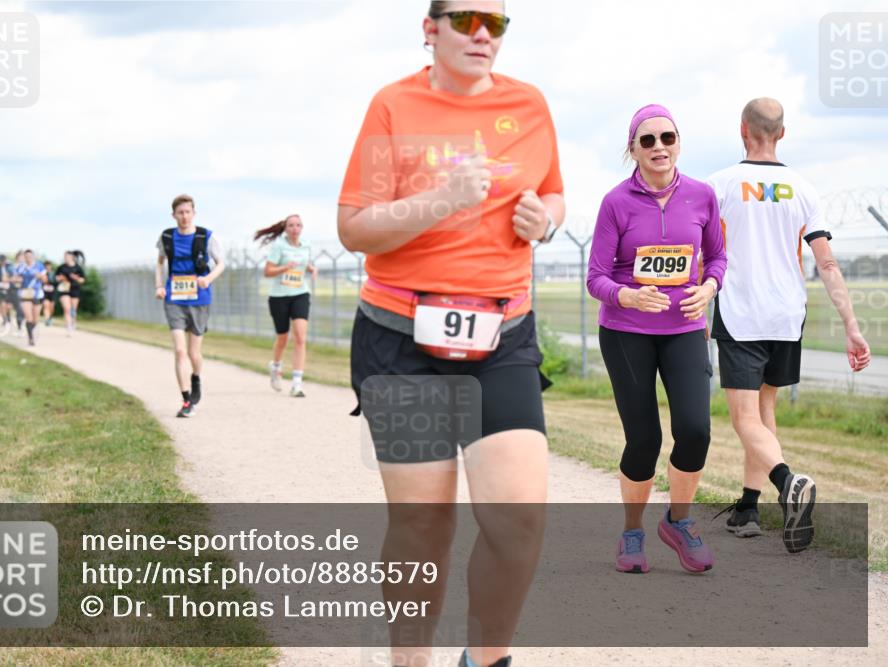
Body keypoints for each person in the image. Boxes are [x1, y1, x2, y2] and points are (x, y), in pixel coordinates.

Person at [337, 3, 564, 666]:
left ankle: (485, 659)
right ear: (430, 29)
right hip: (400, 340)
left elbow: (553, 196)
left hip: (503, 337)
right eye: (466, 20)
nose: (483, 34)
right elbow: (354, 227)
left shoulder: (529, 105)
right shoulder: (393, 106)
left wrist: (543, 219)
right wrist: (444, 199)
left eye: (497, 23)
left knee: (519, 518)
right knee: (423, 523)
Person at [707, 98, 871, 552]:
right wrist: (852, 326)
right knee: (765, 413)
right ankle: (747, 508)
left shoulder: (719, 184)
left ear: (743, 130)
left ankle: (788, 481)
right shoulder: (803, 188)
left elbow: (701, 254)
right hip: (786, 315)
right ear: (783, 133)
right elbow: (828, 263)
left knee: (743, 420)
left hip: (741, 314)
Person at [587, 104, 726, 575]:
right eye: (647, 141)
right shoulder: (615, 202)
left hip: (684, 328)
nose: (659, 147)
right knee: (643, 439)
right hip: (627, 333)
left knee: (695, 431)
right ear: (633, 150)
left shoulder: (703, 196)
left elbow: (719, 258)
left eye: (667, 137)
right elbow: (596, 278)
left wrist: (709, 288)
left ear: (678, 142)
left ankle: (679, 523)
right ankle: (632, 532)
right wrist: (627, 296)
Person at [155, 194, 225, 418]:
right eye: (180, 212)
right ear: (173, 215)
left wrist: (208, 279)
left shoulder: (207, 236)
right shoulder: (167, 237)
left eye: (187, 212)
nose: (184, 216)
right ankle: (186, 400)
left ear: (194, 213)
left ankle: (196, 378)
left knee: (194, 352)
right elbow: (160, 262)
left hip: (199, 298)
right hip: (174, 298)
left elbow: (221, 263)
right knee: (179, 350)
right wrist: (159, 286)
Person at [255, 214, 317, 397]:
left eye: (298, 225)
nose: (295, 228)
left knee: (300, 337)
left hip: (300, 293)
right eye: (291, 225)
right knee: (283, 338)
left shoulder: (306, 245)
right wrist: (284, 267)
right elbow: (268, 271)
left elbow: (303, 264)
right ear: (286, 228)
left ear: (302, 228)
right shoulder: (278, 246)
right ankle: (275, 366)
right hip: (279, 296)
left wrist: (311, 269)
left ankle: (297, 383)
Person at [16, 249, 47, 346]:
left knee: (35, 320)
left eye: (30, 256)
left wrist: (40, 276)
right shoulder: (21, 267)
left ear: (33, 257)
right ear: (24, 257)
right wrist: (18, 280)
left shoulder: (39, 266)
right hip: (25, 294)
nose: (28, 258)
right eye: (26, 256)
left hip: (37, 294)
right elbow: (16, 278)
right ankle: (31, 338)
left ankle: (29, 329)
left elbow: (45, 280)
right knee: (28, 317)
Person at [55, 250, 86, 335]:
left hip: (75, 289)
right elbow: (56, 278)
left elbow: (82, 280)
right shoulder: (61, 267)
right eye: (64, 257)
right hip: (64, 289)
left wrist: (76, 278)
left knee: (73, 309)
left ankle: (73, 323)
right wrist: (60, 278)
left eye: (67, 257)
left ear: (72, 257)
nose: (65, 258)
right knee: (67, 308)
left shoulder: (78, 268)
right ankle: (68, 327)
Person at [0, 254, 21, 327]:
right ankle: (5, 319)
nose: (2, 262)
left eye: (3, 261)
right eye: (1, 261)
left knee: (8, 306)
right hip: (1, 288)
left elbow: (15, 277)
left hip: (10, 289)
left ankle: (8, 316)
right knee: (2, 305)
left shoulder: (10, 267)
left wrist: (8, 279)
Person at [42, 260, 57, 326]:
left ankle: (50, 317)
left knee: (51, 307)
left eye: (49, 266)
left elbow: (56, 282)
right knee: (46, 306)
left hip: (52, 292)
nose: (48, 267)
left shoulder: (54, 274)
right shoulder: (42, 273)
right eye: (46, 266)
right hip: (45, 292)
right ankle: (47, 319)